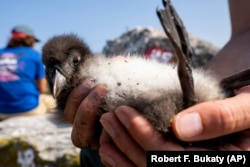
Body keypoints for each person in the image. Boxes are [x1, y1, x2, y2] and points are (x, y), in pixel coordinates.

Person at [64, 0, 250, 166]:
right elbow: (244, 31)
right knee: (99, 147)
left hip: (193, 109)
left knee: (103, 148)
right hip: (204, 92)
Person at [0, 25, 55, 120]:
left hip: (2, 111)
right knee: (54, 102)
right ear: (30, 39)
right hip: (29, 109)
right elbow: (41, 88)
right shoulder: (35, 55)